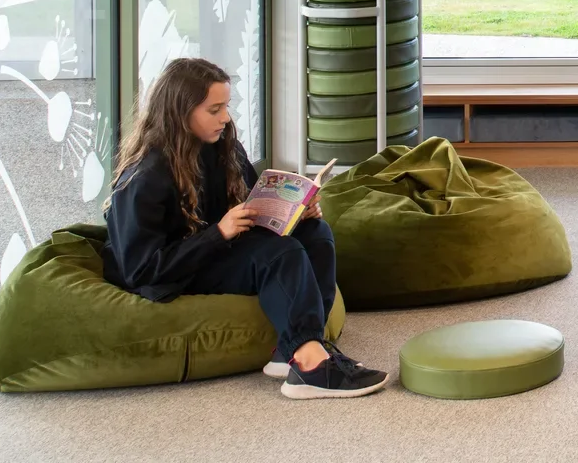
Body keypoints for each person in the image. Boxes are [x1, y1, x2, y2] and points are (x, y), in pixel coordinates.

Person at [104, 57, 389, 399]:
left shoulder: (222, 145)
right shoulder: (143, 178)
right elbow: (140, 270)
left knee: (315, 235)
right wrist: (218, 233)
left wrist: (296, 212)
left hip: (217, 249)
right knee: (277, 254)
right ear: (181, 112)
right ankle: (310, 368)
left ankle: (299, 348)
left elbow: (256, 204)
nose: (225, 118)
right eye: (214, 109)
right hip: (174, 272)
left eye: (226, 106)